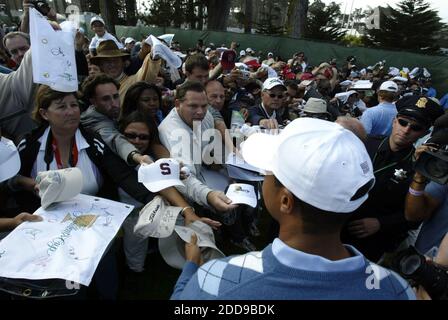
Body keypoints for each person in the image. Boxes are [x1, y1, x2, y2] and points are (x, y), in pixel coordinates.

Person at [171, 118, 415, 300]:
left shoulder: (217, 278)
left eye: (269, 171)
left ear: (285, 201)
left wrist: (191, 265)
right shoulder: (397, 290)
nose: (264, 176)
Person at [342, 95, 444, 262]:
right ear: (394, 121)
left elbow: (414, 215)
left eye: (415, 127)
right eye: (403, 122)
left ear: (424, 133)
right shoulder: (365, 143)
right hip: (338, 223)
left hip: (373, 240)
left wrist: (381, 223)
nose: (406, 130)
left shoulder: (419, 167)